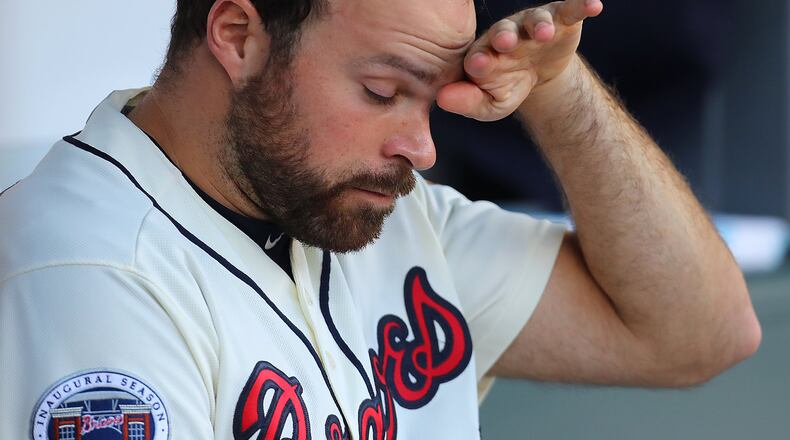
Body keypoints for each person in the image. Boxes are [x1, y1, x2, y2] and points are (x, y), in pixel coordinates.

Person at [0, 0, 760, 439]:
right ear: (237, 35)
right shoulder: (89, 273)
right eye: (381, 90)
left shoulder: (376, 212)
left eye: (431, 97)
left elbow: (699, 336)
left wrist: (557, 91)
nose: (424, 148)